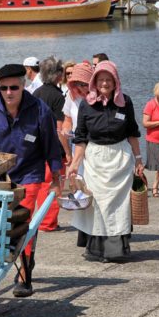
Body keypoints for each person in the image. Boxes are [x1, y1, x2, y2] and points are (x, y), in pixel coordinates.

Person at [0, 64, 62, 297]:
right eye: (4, 88)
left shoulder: (40, 109)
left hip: (30, 173)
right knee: (1, 222)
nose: (9, 92)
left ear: (23, 86)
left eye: (14, 87)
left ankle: (24, 274)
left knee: (23, 221)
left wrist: (56, 177)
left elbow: (52, 146)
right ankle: (15, 258)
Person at [67, 61, 144, 263]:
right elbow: (81, 137)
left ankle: (117, 250)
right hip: (95, 159)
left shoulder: (125, 102)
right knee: (99, 204)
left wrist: (138, 159)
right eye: (100, 79)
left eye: (108, 79)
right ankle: (97, 250)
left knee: (119, 204)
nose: (104, 83)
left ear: (115, 81)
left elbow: (132, 133)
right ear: (94, 82)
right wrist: (75, 164)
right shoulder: (86, 104)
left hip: (120, 157)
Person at [61, 62, 94, 247]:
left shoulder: (97, 98)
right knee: (80, 189)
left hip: (94, 148)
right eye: (77, 84)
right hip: (77, 147)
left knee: (94, 189)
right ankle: (84, 232)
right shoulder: (70, 98)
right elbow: (67, 121)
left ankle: (96, 231)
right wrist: (66, 131)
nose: (81, 88)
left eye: (84, 84)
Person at [33, 56, 67, 232]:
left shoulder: (36, 93)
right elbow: (60, 129)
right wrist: (67, 152)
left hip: (37, 147)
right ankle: (49, 222)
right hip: (53, 148)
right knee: (54, 185)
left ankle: (41, 219)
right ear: (57, 75)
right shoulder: (58, 97)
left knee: (41, 185)